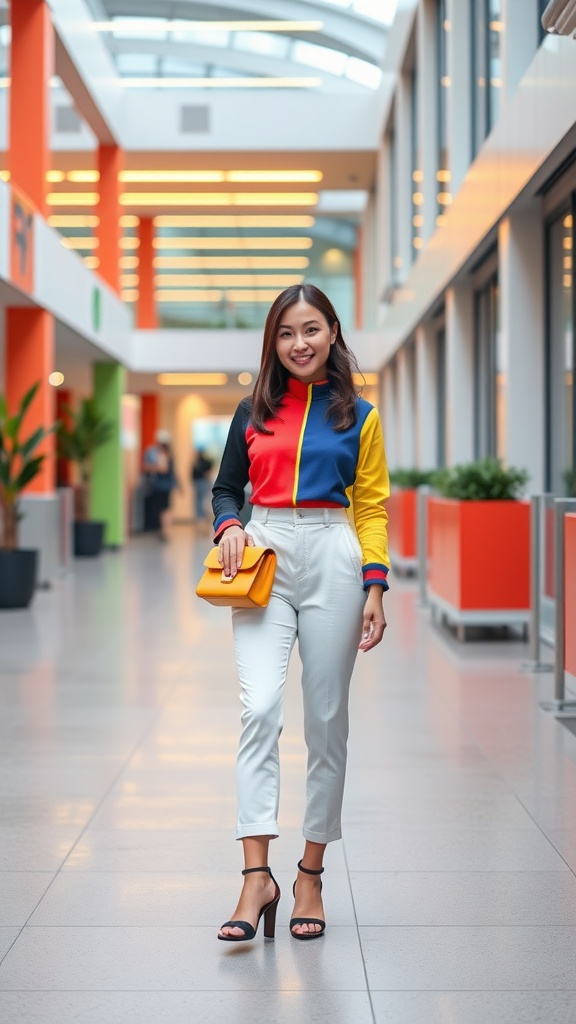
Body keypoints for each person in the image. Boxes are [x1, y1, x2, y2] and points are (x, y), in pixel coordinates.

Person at [211, 283, 390, 943]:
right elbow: (227, 486)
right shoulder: (251, 412)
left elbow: (371, 504)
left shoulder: (361, 416)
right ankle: (255, 875)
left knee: (326, 719)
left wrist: (375, 585)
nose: (299, 344)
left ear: (333, 332)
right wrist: (229, 522)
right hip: (263, 552)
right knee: (258, 708)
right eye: (286, 334)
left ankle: (310, 871)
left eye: (310, 329)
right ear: (273, 343)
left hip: (334, 552)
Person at [143, 431, 178, 541]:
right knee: (164, 509)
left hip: (162, 486)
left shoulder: (162, 454)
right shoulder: (168, 453)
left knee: (164, 509)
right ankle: (164, 530)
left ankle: (164, 531)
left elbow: (164, 469)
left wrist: (152, 467)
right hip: (163, 486)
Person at [191, 447, 213, 522]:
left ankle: (203, 516)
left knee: (203, 499)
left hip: (203, 482)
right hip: (197, 482)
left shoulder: (204, 462)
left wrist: (207, 473)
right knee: (198, 500)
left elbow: (210, 465)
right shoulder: (196, 462)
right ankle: (199, 516)